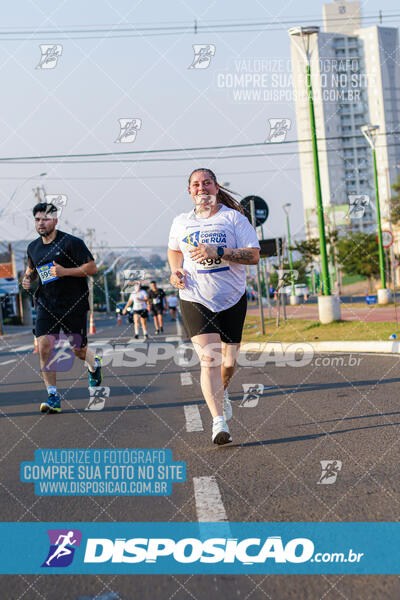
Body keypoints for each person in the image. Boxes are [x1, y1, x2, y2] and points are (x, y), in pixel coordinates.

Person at [168, 168, 260, 445]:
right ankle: (219, 422)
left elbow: (254, 255)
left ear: (216, 187)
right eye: (196, 184)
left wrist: (219, 251)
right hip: (195, 297)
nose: (201, 188)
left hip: (231, 298)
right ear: (189, 191)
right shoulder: (181, 222)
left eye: (206, 183)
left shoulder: (233, 218)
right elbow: (174, 250)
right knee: (210, 359)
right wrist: (176, 271)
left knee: (228, 363)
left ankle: (224, 389)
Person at [22, 202, 103, 414]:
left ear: (55, 221)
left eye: (46, 219)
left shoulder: (71, 242)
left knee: (78, 350)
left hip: (73, 303)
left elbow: (92, 268)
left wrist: (64, 271)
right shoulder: (33, 247)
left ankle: (94, 365)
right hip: (46, 304)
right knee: (44, 346)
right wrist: (27, 279)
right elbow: (32, 269)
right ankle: (53, 396)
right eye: (38, 219)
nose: (41, 223)